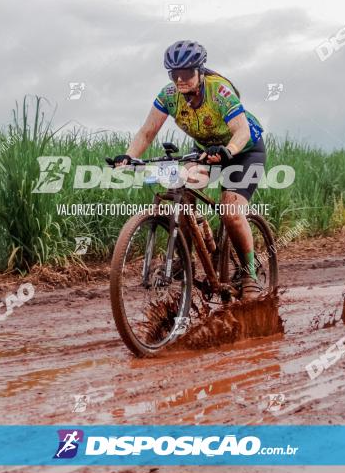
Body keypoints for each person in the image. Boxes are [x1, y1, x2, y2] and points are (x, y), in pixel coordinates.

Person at [114, 40, 266, 298]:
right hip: (208, 151)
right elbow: (147, 132)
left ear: (200, 71)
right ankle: (189, 257)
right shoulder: (169, 95)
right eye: (175, 74)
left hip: (243, 151)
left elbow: (241, 130)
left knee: (231, 210)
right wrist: (129, 157)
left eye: (186, 73)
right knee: (182, 189)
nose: (181, 80)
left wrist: (228, 151)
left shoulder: (219, 91)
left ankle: (249, 273)